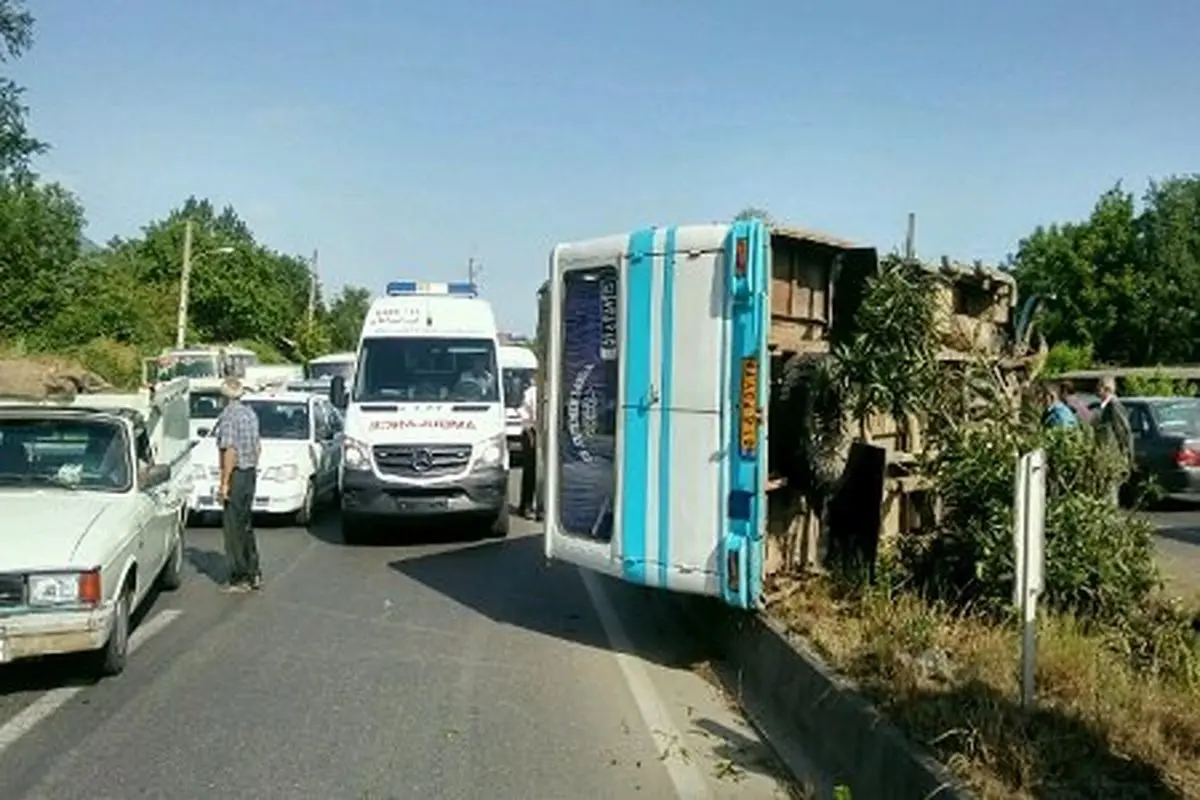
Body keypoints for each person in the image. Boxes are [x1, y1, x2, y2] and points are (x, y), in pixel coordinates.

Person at [213, 377, 263, 592]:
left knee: (233, 528)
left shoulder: (229, 417)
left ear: (224, 397)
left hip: (237, 474)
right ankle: (254, 571)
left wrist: (224, 483)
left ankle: (240, 576)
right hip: (249, 473)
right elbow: (258, 446)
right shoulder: (249, 413)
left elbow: (230, 451)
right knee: (246, 524)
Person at [1093, 375, 1134, 504]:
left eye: (1099, 387)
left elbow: (1124, 433)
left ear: (1107, 389)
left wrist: (1127, 458)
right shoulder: (1103, 407)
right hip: (1105, 456)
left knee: (1110, 492)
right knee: (1104, 491)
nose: (1096, 390)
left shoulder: (1114, 406)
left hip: (1112, 457)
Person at [517, 380, 541, 520]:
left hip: (547, 432)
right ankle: (526, 505)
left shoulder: (557, 388)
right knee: (530, 471)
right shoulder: (532, 392)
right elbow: (527, 415)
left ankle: (543, 507)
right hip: (531, 432)